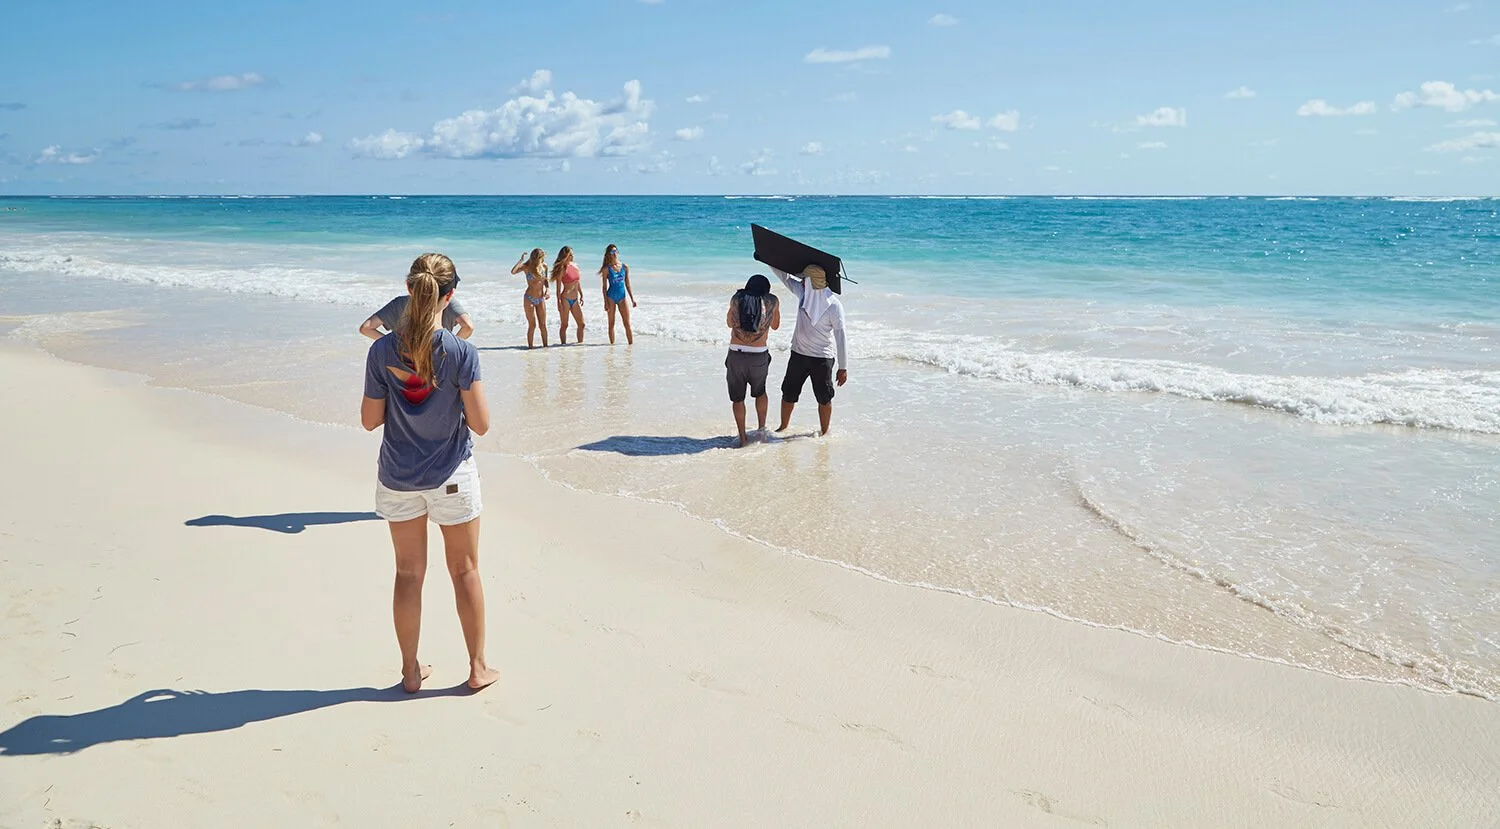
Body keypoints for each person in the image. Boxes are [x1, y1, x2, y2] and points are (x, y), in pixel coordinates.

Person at [360, 253, 500, 694]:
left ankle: (409, 671)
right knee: (465, 570)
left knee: (407, 574)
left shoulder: (381, 350)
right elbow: (480, 424)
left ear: (410, 289)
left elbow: (369, 420)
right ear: (450, 295)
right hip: (451, 474)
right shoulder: (461, 352)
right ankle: (477, 669)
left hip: (399, 475)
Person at [772, 264, 848, 435]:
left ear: (812, 282)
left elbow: (841, 336)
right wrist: (767, 256)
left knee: (824, 398)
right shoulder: (804, 293)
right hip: (798, 354)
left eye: (804, 279)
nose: (801, 282)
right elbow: (785, 277)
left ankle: (824, 432)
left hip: (822, 358)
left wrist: (843, 367)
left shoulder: (834, 306)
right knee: (788, 393)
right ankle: (783, 427)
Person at [725, 274, 780, 446]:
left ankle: (742, 438)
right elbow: (776, 326)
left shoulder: (736, 299)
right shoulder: (772, 301)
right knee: (760, 392)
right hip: (759, 354)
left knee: (737, 399)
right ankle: (761, 431)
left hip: (736, 354)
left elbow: (729, 323)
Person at [360, 282, 474, 341]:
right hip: (437, 361)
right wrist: (450, 347)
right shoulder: (446, 300)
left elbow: (366, 328)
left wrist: (393, 346)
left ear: (410, 287)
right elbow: (468, 326)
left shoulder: (399, 303)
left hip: (403, 363)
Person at [511, 248, 550, 348]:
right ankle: (530, 349)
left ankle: (546, 348)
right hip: (529, 298)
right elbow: (513, 272)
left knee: (543, 325)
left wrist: (548, 290)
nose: (543, 260)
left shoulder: (544, 266)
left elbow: (545, 280)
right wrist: (521, 260)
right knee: (532, 325)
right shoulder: (527, 267)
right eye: (541, 258)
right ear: (537, 258)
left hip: (540, 299)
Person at [599, 244, 637, 345]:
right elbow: (604, 287)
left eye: (616, 251)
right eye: (612, 252)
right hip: (611, 296)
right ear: (609, 254)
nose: (614, 253)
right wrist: (605, 302)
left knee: (627, 323)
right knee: (611, 324)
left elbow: (627, 284)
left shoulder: (625, 267)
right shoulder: (606, 269)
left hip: (622, 296)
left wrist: (632, 299)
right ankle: (611, 347)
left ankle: (630, 346)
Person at [552, 246, 585, 344]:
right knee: (564, 325)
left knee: (581, 324)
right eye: (570, 254)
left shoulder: (575, 266)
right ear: (565, 255)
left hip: (575, 299)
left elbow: (577, 282)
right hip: (565, 299)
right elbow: (558, 289)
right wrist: (558, 302)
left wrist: (581, 294)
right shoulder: (561, 269)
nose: (572, 256)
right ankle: (563, 347)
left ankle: (580, 345)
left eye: (572, 254)